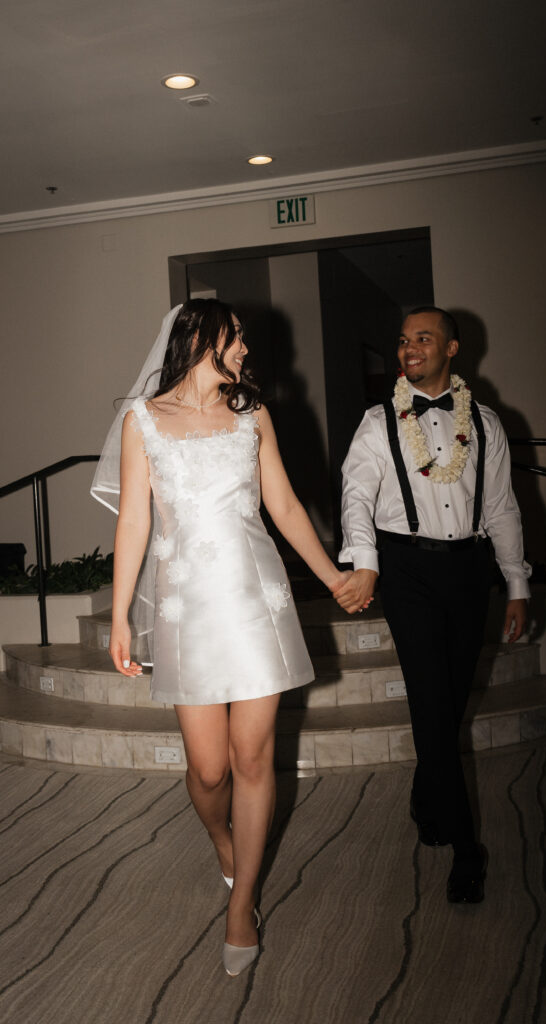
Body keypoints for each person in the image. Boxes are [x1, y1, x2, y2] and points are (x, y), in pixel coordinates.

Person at [92, 299, 352, 976]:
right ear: (200, 338)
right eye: (233, 339)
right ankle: (218, 833)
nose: (243, 350)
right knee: (207, 770)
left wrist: (332, 578)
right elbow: (133, 524)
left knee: (253, 759)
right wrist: (120, 615)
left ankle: (243, 909)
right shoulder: (142, 420)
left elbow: (286, 507)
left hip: (254, 600)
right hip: (184, 607)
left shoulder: (252, 415)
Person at [334, 306, 531, 903]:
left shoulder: (489, 425)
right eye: (402, 340)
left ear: (452, 349)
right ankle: (467, 848)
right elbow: (355, 494)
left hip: (469, 571)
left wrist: (516, 583)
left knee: (449, 700)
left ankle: (427, 796)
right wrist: (363, 561)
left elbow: (501, 508)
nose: (409, 348)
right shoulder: (376, 423)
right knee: (429, 699)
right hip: (407, 569)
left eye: (423, 339)